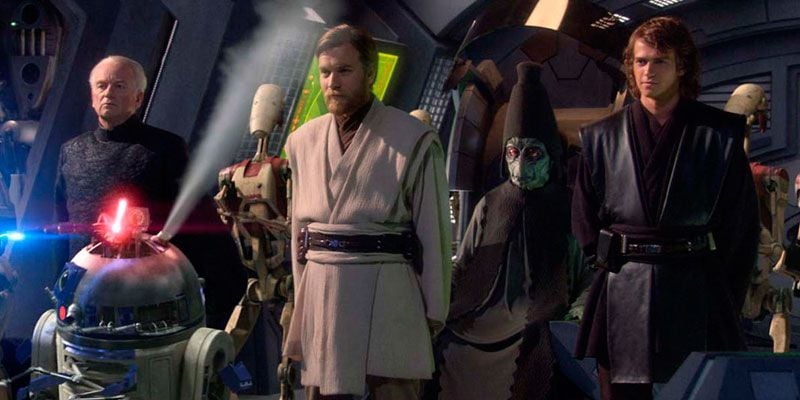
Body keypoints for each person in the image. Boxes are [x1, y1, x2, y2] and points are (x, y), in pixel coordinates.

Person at [571, 16, 760, 399]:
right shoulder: (601, 137)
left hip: (696, 288)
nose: (648, 71)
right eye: (641, 61)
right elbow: (584, 218)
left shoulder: (718, 135)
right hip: (623, 287)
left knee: (697, 390)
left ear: (682, 66)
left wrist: (721, 293)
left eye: (660, 61)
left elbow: (741, 227)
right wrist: (612, 265)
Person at [283, 24, 452, 399]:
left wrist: (432, 313)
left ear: (370, 73)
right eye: (325, 72)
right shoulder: (302, 142)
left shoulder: (412, 140)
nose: (332, 83)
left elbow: (434, 233)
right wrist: (303, 298)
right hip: (321, 295)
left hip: (389, 296)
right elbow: (299, 236)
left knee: (392, 390)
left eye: (344, 70)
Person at [426, 62, 581, 400]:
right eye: (513, 153)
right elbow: (464, 261)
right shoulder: (491, 203)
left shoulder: (570, 206)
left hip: (539, 313)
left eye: (532, 153)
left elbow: (588, 269)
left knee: (536, 353)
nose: (521, 165)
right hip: (481, 311)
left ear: (550, 155)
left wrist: (578, 309)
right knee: (449, 344)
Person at [55, 55, 187, 254]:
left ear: (138, 98)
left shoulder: (166, 147)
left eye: (119, 86)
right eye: (101, 86)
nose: (108, 93)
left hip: (142, 268)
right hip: (81, 269)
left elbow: (187, 220)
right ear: (92, 96)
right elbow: (61, 222)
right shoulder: (71, 150)